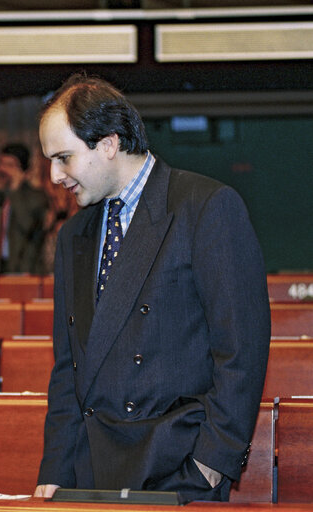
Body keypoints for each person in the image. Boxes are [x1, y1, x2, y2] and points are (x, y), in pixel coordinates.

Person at [34, 74, 270, 502]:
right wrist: (55, 466)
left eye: (63, 158)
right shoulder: (75, 236)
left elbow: (241, 348)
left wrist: (213, 460)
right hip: (90, 469)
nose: (54, 175)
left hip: (176, 467)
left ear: (107, 144)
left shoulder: (205, 206)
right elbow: (68, 367)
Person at [0, 142, 50, 274]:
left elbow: (27, 227)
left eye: (10, 165)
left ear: (24, 170)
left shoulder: (37, 196)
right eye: (1, 164)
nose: (3, 169)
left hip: (25, 268)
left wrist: (16, 188)